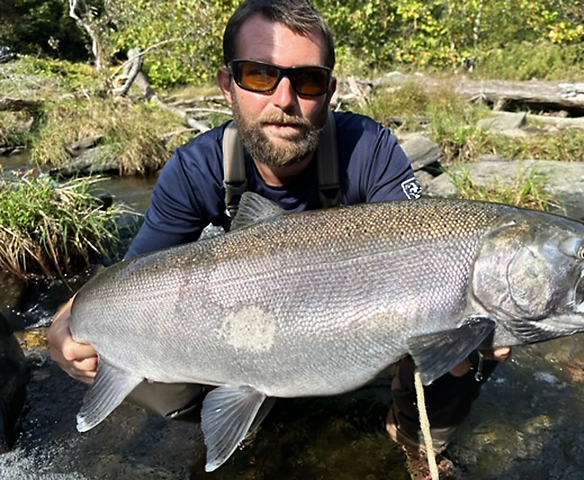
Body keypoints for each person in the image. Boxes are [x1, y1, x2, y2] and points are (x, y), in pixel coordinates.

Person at [47, 1, 510, 478]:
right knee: (150, 379)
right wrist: (63, 325)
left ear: (329, 91)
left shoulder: (368, 150)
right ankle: (253, 407)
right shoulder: (195, 168)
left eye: (307, 80)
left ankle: (413, 438)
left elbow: (434, 254)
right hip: (246, 326)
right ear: (228, 85)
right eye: (259, 75)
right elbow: (134, 277)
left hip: (351, 329)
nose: (284, 99)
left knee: (475, 320)